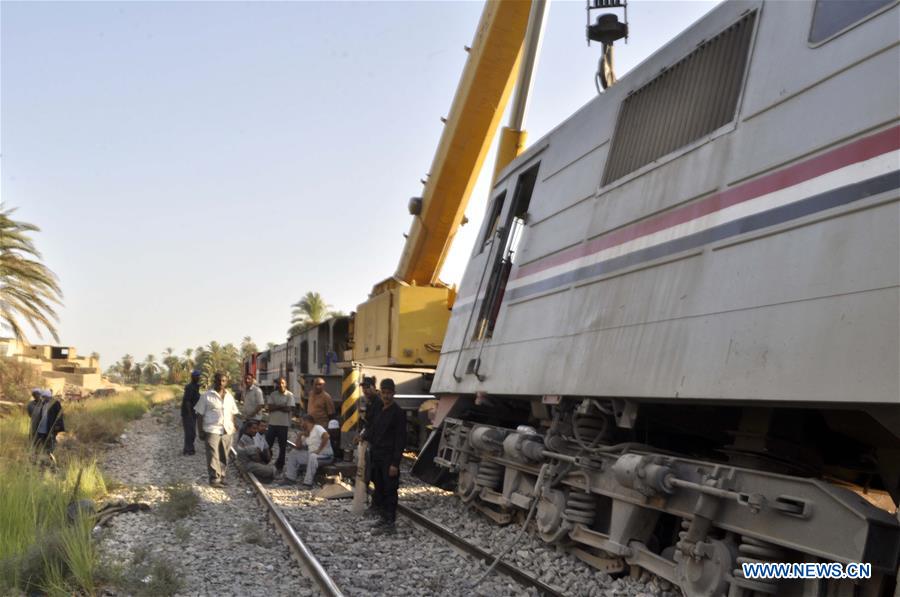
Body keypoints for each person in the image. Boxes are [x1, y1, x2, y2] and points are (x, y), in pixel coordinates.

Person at [364, 378, 406, 534]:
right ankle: (383, 517)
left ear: (394, 393)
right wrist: (364, 437)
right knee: (379, 487)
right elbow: (373, 430)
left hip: (389, 457)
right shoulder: (379, 410)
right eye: (384, 393)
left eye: (389, 393)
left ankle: (390, 522)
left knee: (390, 489)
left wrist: (395, 463)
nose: (386, 396)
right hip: (377, 456)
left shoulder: (398, 413)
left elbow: (400, 440)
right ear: (380, 393)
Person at [194, 372, 238, 488]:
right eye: (218, 380)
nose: (220, 383)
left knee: (224, 455)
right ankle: (214, 478)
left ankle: (222, 476)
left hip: (226, 429)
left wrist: (233, 425)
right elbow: (199, 414)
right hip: (211, 428)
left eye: (223, 381)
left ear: (226, 382)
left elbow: (233, 412)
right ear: (214, 381)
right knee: (213, 454)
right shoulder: (207, 396)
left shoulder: (229, 396)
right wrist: (200, 431)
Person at [283, 414, 334, 487]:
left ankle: (307, 483)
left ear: (306, 422)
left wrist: (318, 450)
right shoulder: (306, 433)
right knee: (294, 453)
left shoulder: (317, 428)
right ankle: (290, 478)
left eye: (301, 422)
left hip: (326, 456)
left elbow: (326, 436)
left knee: (313, 456)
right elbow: (298, 447)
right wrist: (300, 435)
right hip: (313, 456)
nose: (300, 424)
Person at [265, 376, 295, 474]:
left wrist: (276, 407)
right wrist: (282, 406)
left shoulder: (290, 395)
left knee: (282, 447)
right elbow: (269, 408)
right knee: (268, 445)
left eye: (282, 383)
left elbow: (289, 409)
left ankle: (280, 466)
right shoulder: (273, 394)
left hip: (283, 425)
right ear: (276, 385)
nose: (280, 385)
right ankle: (265, 462)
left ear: (285, 384)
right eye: (279, 383)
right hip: (272, 424)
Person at [181, 370, 202, 455]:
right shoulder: (190, 387)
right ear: (192, 377)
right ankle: (188, 449)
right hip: (188, 413)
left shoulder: (195, 387)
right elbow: (187, 402)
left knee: (192, 432)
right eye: (196, 376)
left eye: (198, 376)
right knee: (190, 432)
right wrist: (189, 414)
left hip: (193, 413)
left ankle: (189, 448)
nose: (198, 378)